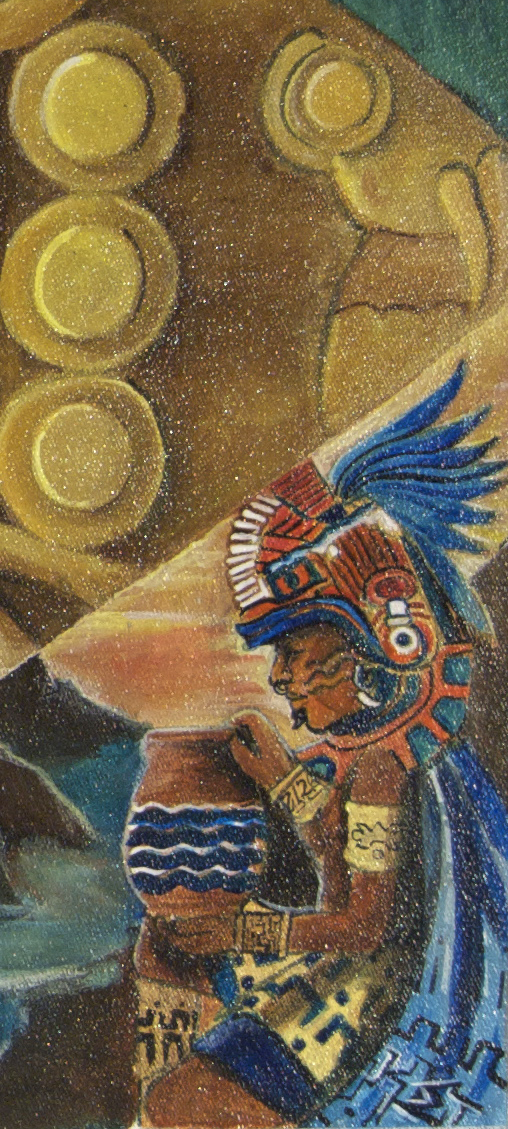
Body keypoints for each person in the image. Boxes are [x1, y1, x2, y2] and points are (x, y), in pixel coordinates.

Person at [142, 366, 508, 1126]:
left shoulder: (380, 770)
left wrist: (240, 929)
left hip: (365, 1007)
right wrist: (282, 779)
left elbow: (363, 924)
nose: (280, 676)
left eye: (294, 650)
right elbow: (337, 861)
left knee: (185, 1105)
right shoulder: (377, 762)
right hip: (352, 984)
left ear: (362, 648)